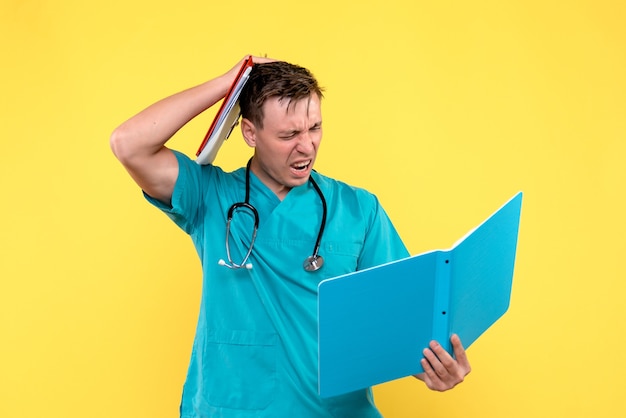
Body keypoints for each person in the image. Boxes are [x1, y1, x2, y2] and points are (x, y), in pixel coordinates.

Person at [110, 55, 471, 417]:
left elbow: (402, 319)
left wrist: (434, 367)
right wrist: (230, 82)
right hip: (233, 408)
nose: (307, 146)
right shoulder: (210, 197)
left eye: (314, 128)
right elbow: (128, 144)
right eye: (289, 134)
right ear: (250, 132)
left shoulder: (358, 209)